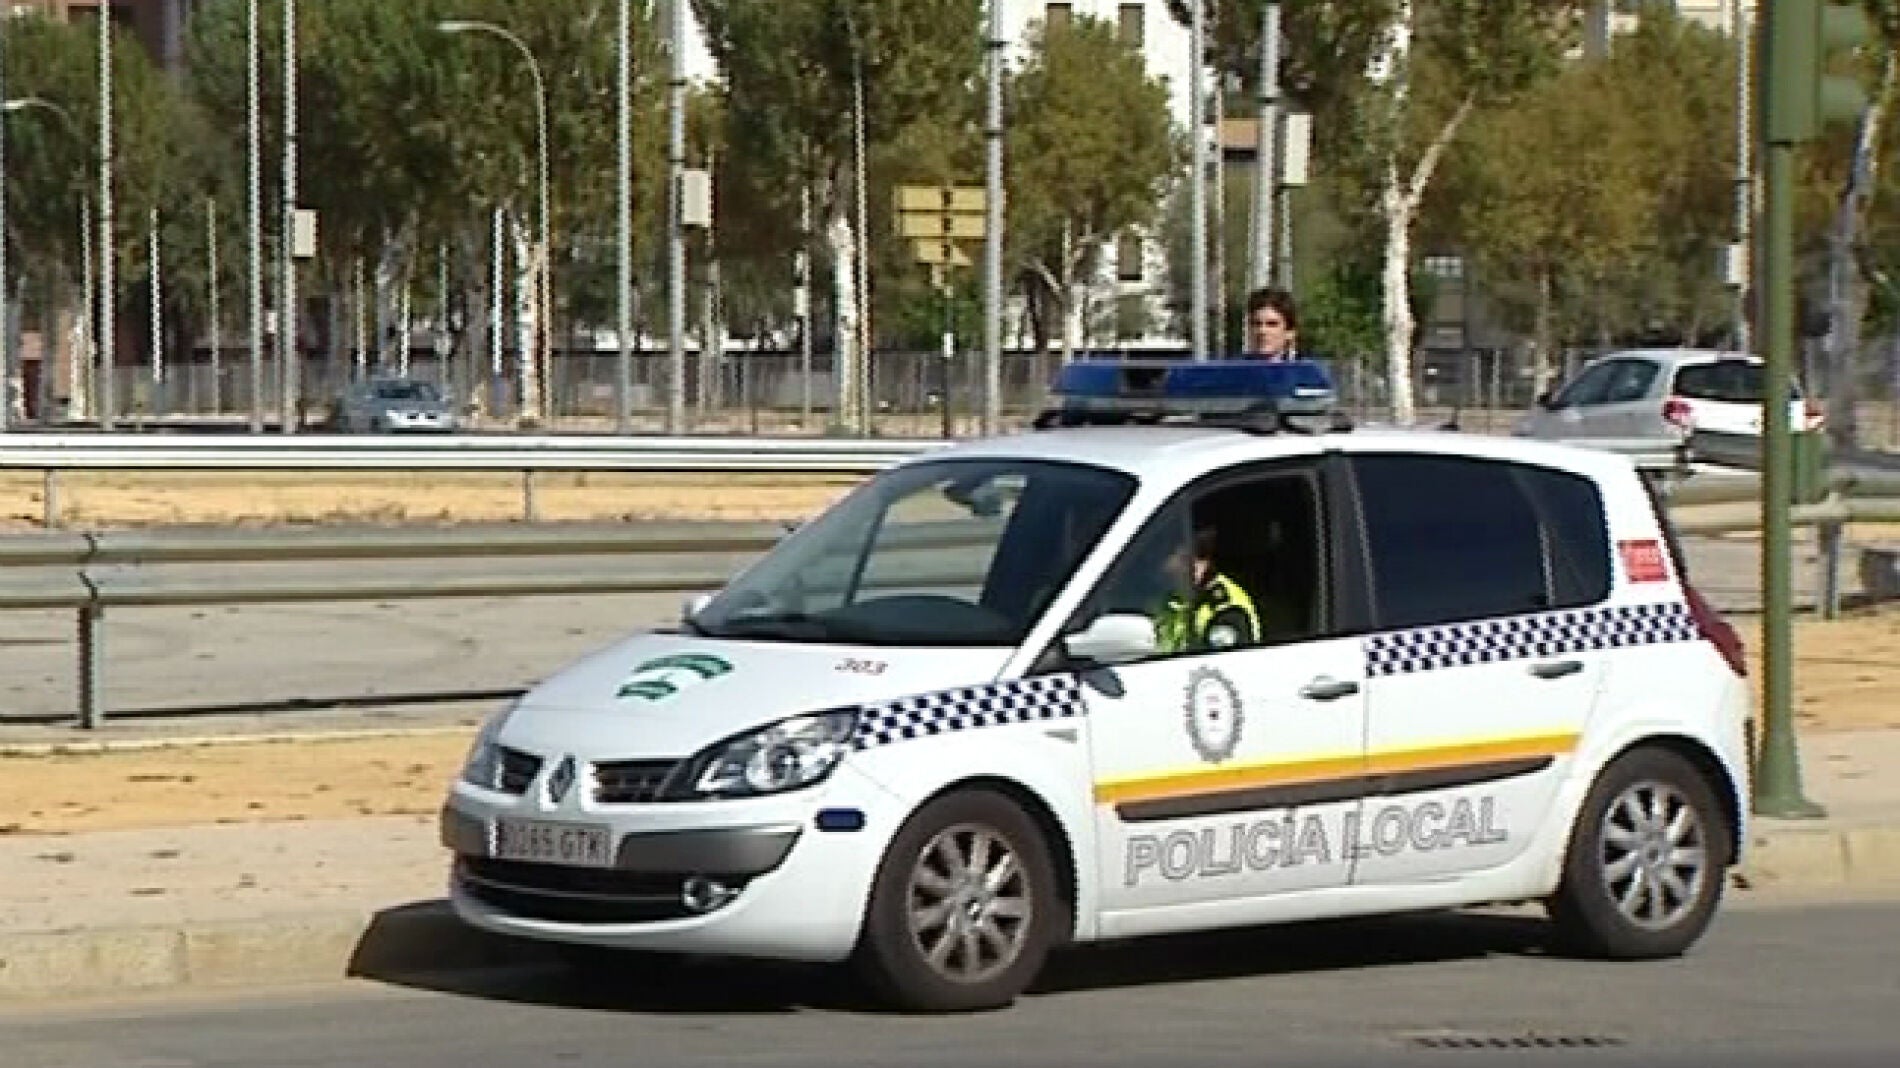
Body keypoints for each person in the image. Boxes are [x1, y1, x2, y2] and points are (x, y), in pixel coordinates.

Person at [1153, 523, 1261, 654]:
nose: (1165, 567)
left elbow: (1219, 669)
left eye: (1174, 557)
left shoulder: (1226, 609)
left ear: (1198, 563)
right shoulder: (1171, 598)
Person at [1243, 286, 1300, 361]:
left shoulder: (1304, 370)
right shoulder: (1235, 369)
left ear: (1290, 332)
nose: (1262, 331)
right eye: (1257, 324)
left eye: (1272, 324)